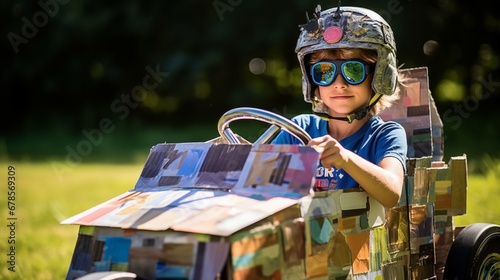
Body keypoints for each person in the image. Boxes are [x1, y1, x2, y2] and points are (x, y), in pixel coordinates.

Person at [272, 4, 407, 208]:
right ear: (311, 80)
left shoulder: (385, 134)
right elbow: (257, 178)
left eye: (353, 70)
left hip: (358, 238)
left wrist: (346, 158)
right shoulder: (297, 130)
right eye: (324, 72)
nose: (339, 83)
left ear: (379, 77)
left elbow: (392, 193)